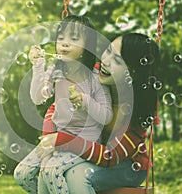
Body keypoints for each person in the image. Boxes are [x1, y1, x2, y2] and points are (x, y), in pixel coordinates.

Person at [38, 33, 160, 193]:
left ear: (133, 72)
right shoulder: (94, 75)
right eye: (108, 50)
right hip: (92, 151)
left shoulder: (139, 109)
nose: (105, 61)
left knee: (77, 175)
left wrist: (62, 140)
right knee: (44, 171)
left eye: (116, 60)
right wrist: (49, 138)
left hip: (127, 166)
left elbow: (111, 156)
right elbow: (57, 106)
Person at [13, 15, 113, 194]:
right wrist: (37, 66)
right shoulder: (56, 70)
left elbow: (106, 116)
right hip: (57, 139)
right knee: (22, 174)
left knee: (50, 171)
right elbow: (37, 97)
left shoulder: (95, 77)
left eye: (73, 39)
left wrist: (85, 100)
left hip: (85, 141)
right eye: (61, 38)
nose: (64, 44)